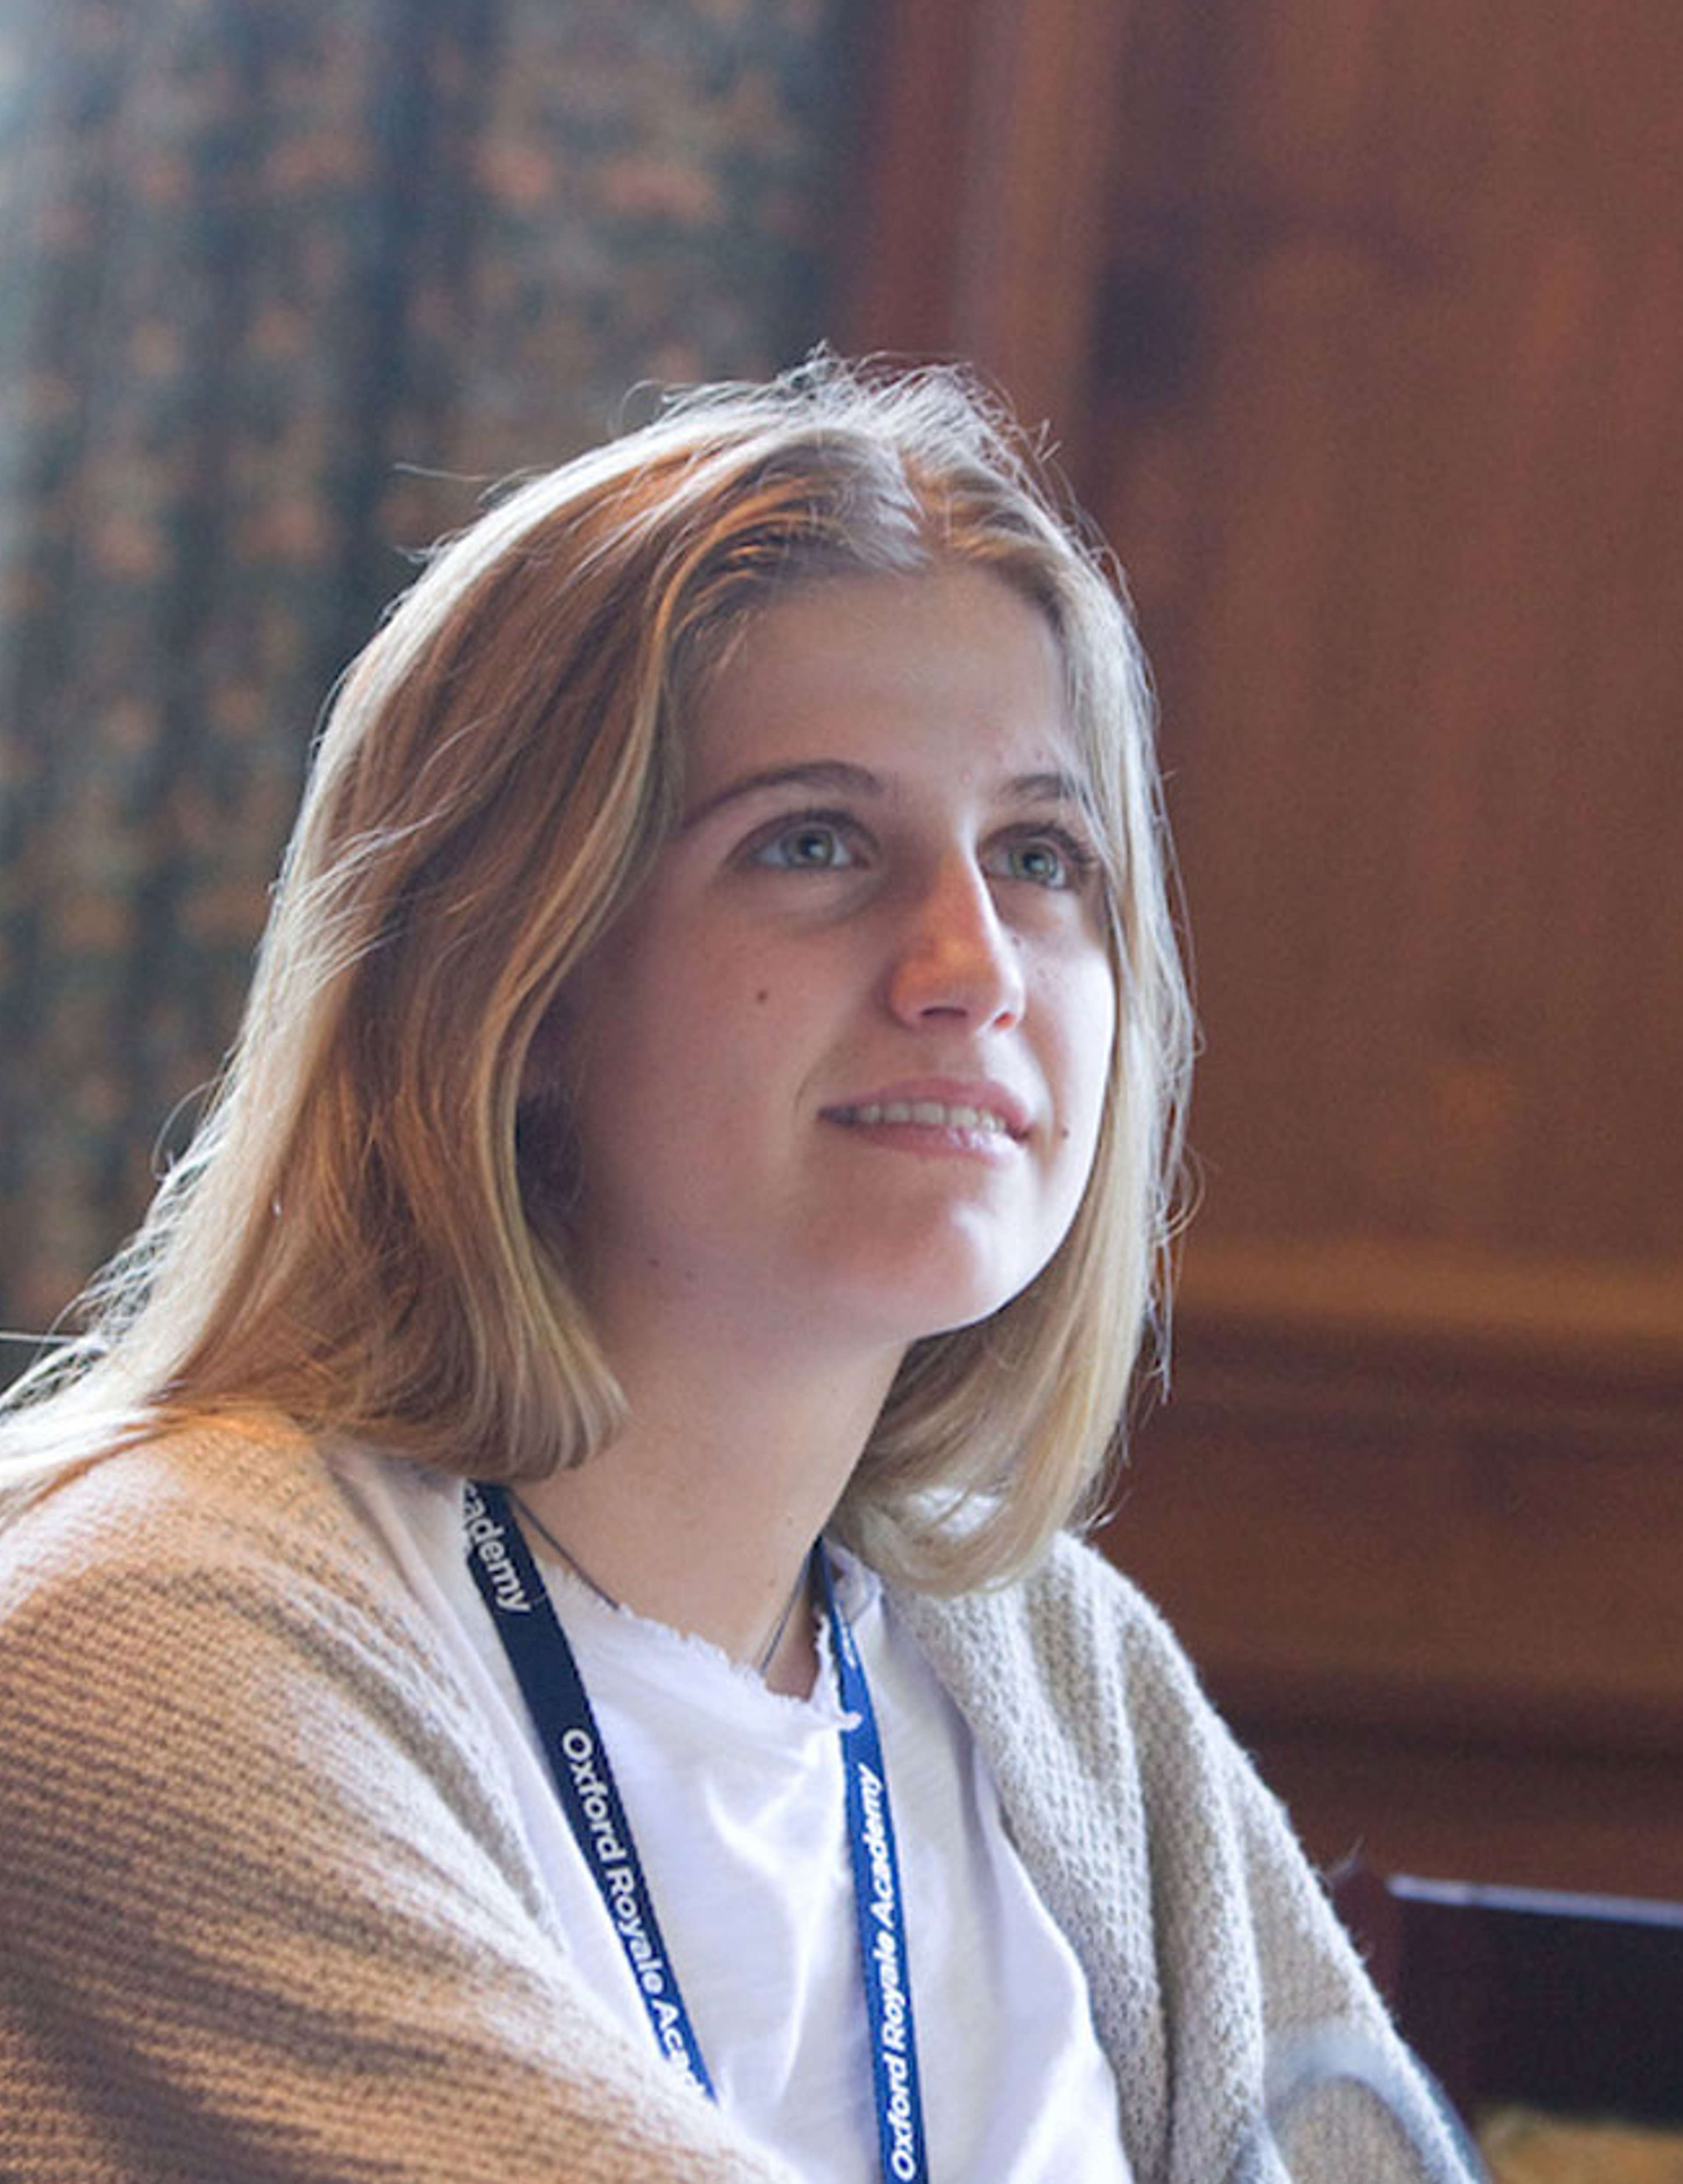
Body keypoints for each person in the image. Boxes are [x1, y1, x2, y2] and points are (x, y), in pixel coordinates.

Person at [0, 357, 1474, 2184]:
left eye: (1039, 853)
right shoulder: (143, 1644)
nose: (975, 964)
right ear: (515, 983)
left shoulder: (1039, 1652)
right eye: (814, 842)